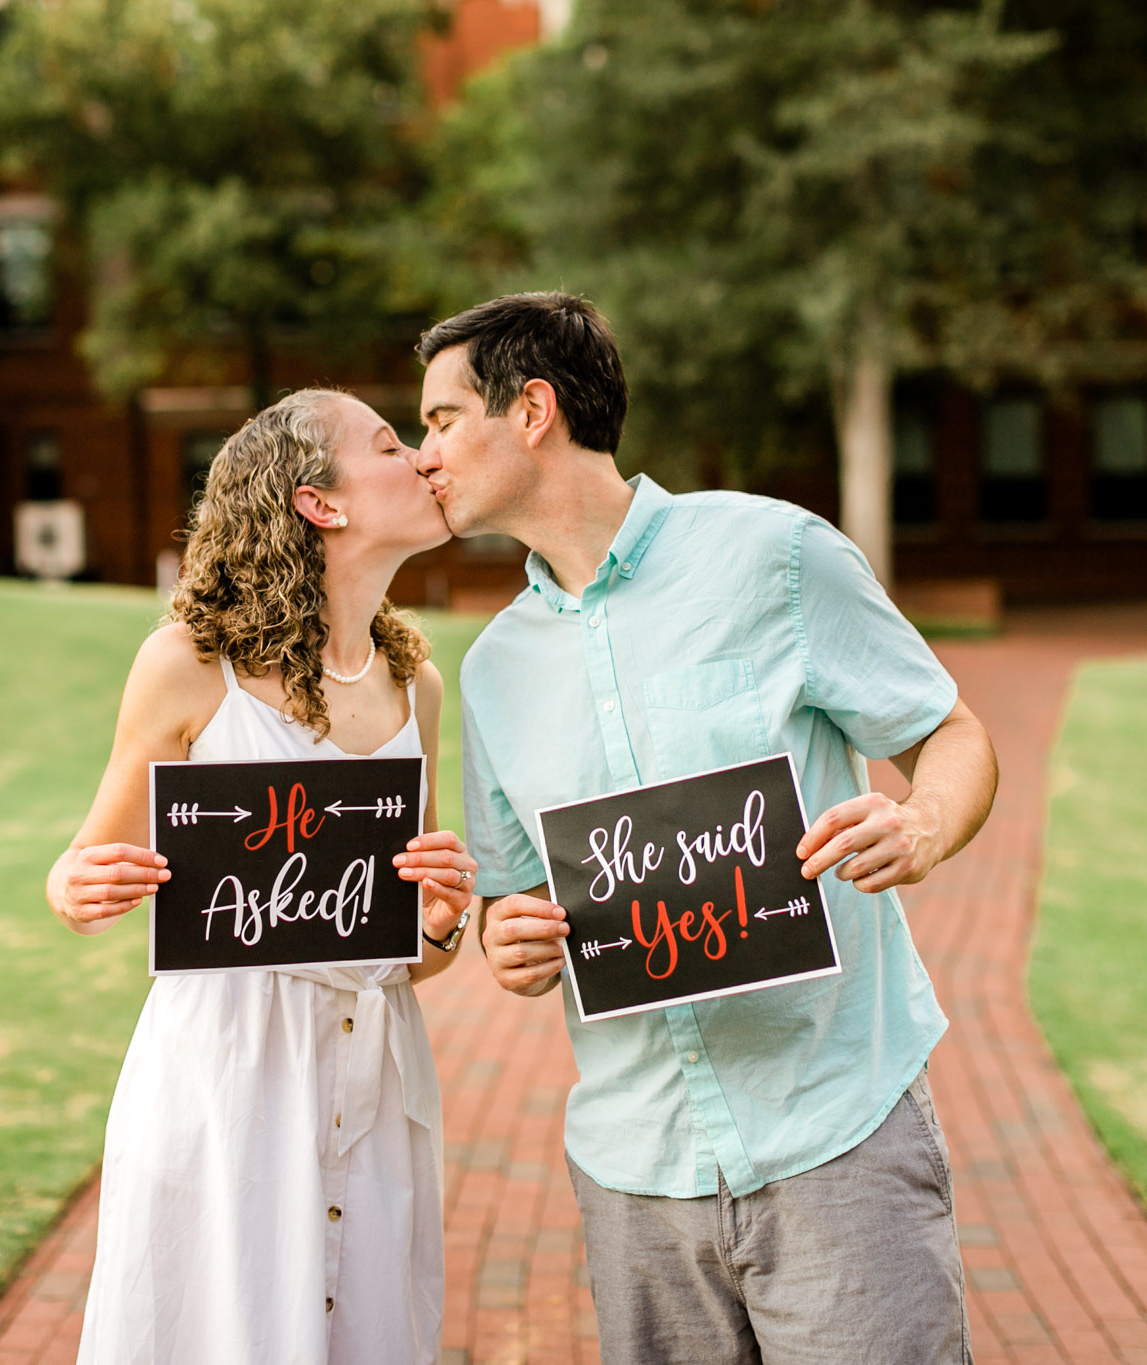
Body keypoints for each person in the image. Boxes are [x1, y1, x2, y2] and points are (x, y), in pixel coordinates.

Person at [412, 293, 999, 1364]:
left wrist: (919, 828)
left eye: (442, 420)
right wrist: (509, 941)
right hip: (634, 1177)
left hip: (834, 1138)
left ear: (531, 410)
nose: (422, 455)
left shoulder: (772, 556)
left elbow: (949, 735)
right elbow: (512, 900)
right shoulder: (493, 671)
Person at [46, 388, 480, 1365]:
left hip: (377, 1083)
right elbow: (78, 870)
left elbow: (405, 952)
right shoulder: (189, 667)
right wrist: (76, 888)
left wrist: (445, 917)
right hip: (228, 1081)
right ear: (319, 504)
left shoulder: (419, 685)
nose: (421, 456)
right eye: (387, 445)